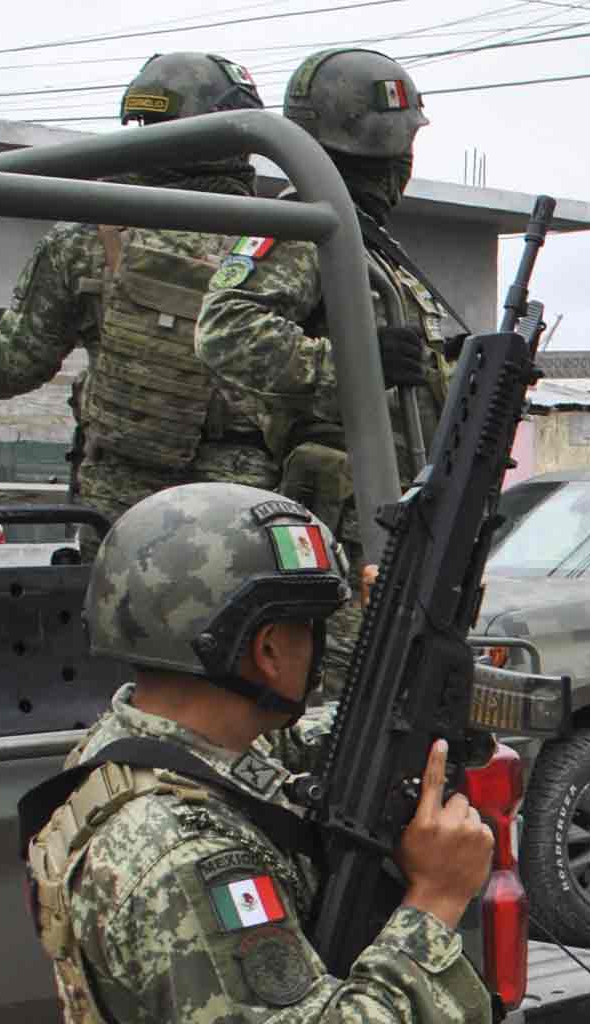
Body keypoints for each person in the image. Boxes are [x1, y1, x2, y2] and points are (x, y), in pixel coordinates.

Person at [21, 483, 494, 1024]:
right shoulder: (183, 853)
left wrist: (403, 663)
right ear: (268, 650)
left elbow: (313, 747)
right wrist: (437, 899)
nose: (318, 649)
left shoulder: (133, 747)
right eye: (313, 629)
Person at [0, 53, 273, 556]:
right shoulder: (285, 242)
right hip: (253, 508)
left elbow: (9, 365)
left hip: (124, 513)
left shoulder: (90, 234)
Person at [198, 48, 455, 695]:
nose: (403, 166)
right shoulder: (304, 225)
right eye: (394, 152)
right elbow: (225, 332)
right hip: (339, 520)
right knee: (343, 699)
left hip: (389, 515)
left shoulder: (364, 236)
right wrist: (349, 364)